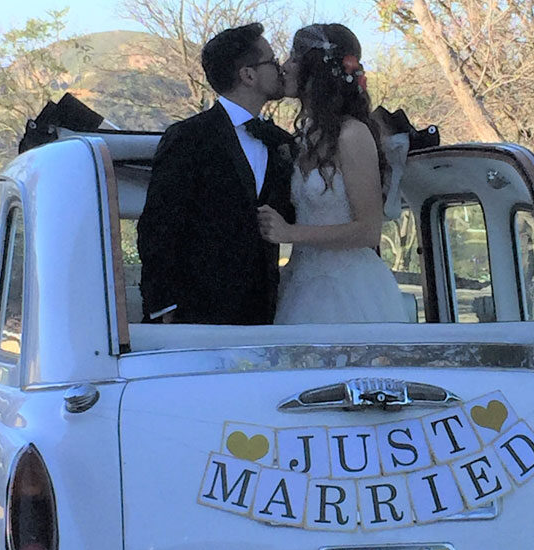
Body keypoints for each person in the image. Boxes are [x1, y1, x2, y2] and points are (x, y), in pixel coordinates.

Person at [137, 23, 295, 324]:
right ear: (247, 75)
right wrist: (165, 306)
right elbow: (158, 226)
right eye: (272, 62)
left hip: (262, 316)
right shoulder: (188, 138)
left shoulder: (280, 142)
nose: (280, 69)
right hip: (195, 315)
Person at [257, 23, 409, 324]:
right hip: (300, 283)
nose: (285, 67)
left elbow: (368, 231)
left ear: (316, 70)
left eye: (294, 58)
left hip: (348, 292)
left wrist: (290, 233)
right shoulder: (304, 137)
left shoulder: (353, 134)